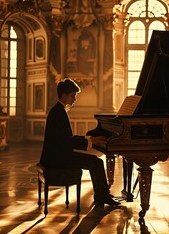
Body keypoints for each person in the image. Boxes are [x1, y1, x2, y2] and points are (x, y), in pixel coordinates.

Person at [40, 78, 119, 206]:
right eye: (73, 95)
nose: (75, 99)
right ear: (64, 95)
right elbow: (66, 141)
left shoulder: (58, 110)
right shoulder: (58, 113)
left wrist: (90, 139)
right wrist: (91, 141)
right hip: (57, 159)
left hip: (58, 154)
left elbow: (66, 138)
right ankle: (102, 196)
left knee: (96, 162)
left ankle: (101, 195)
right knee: (96, 163)